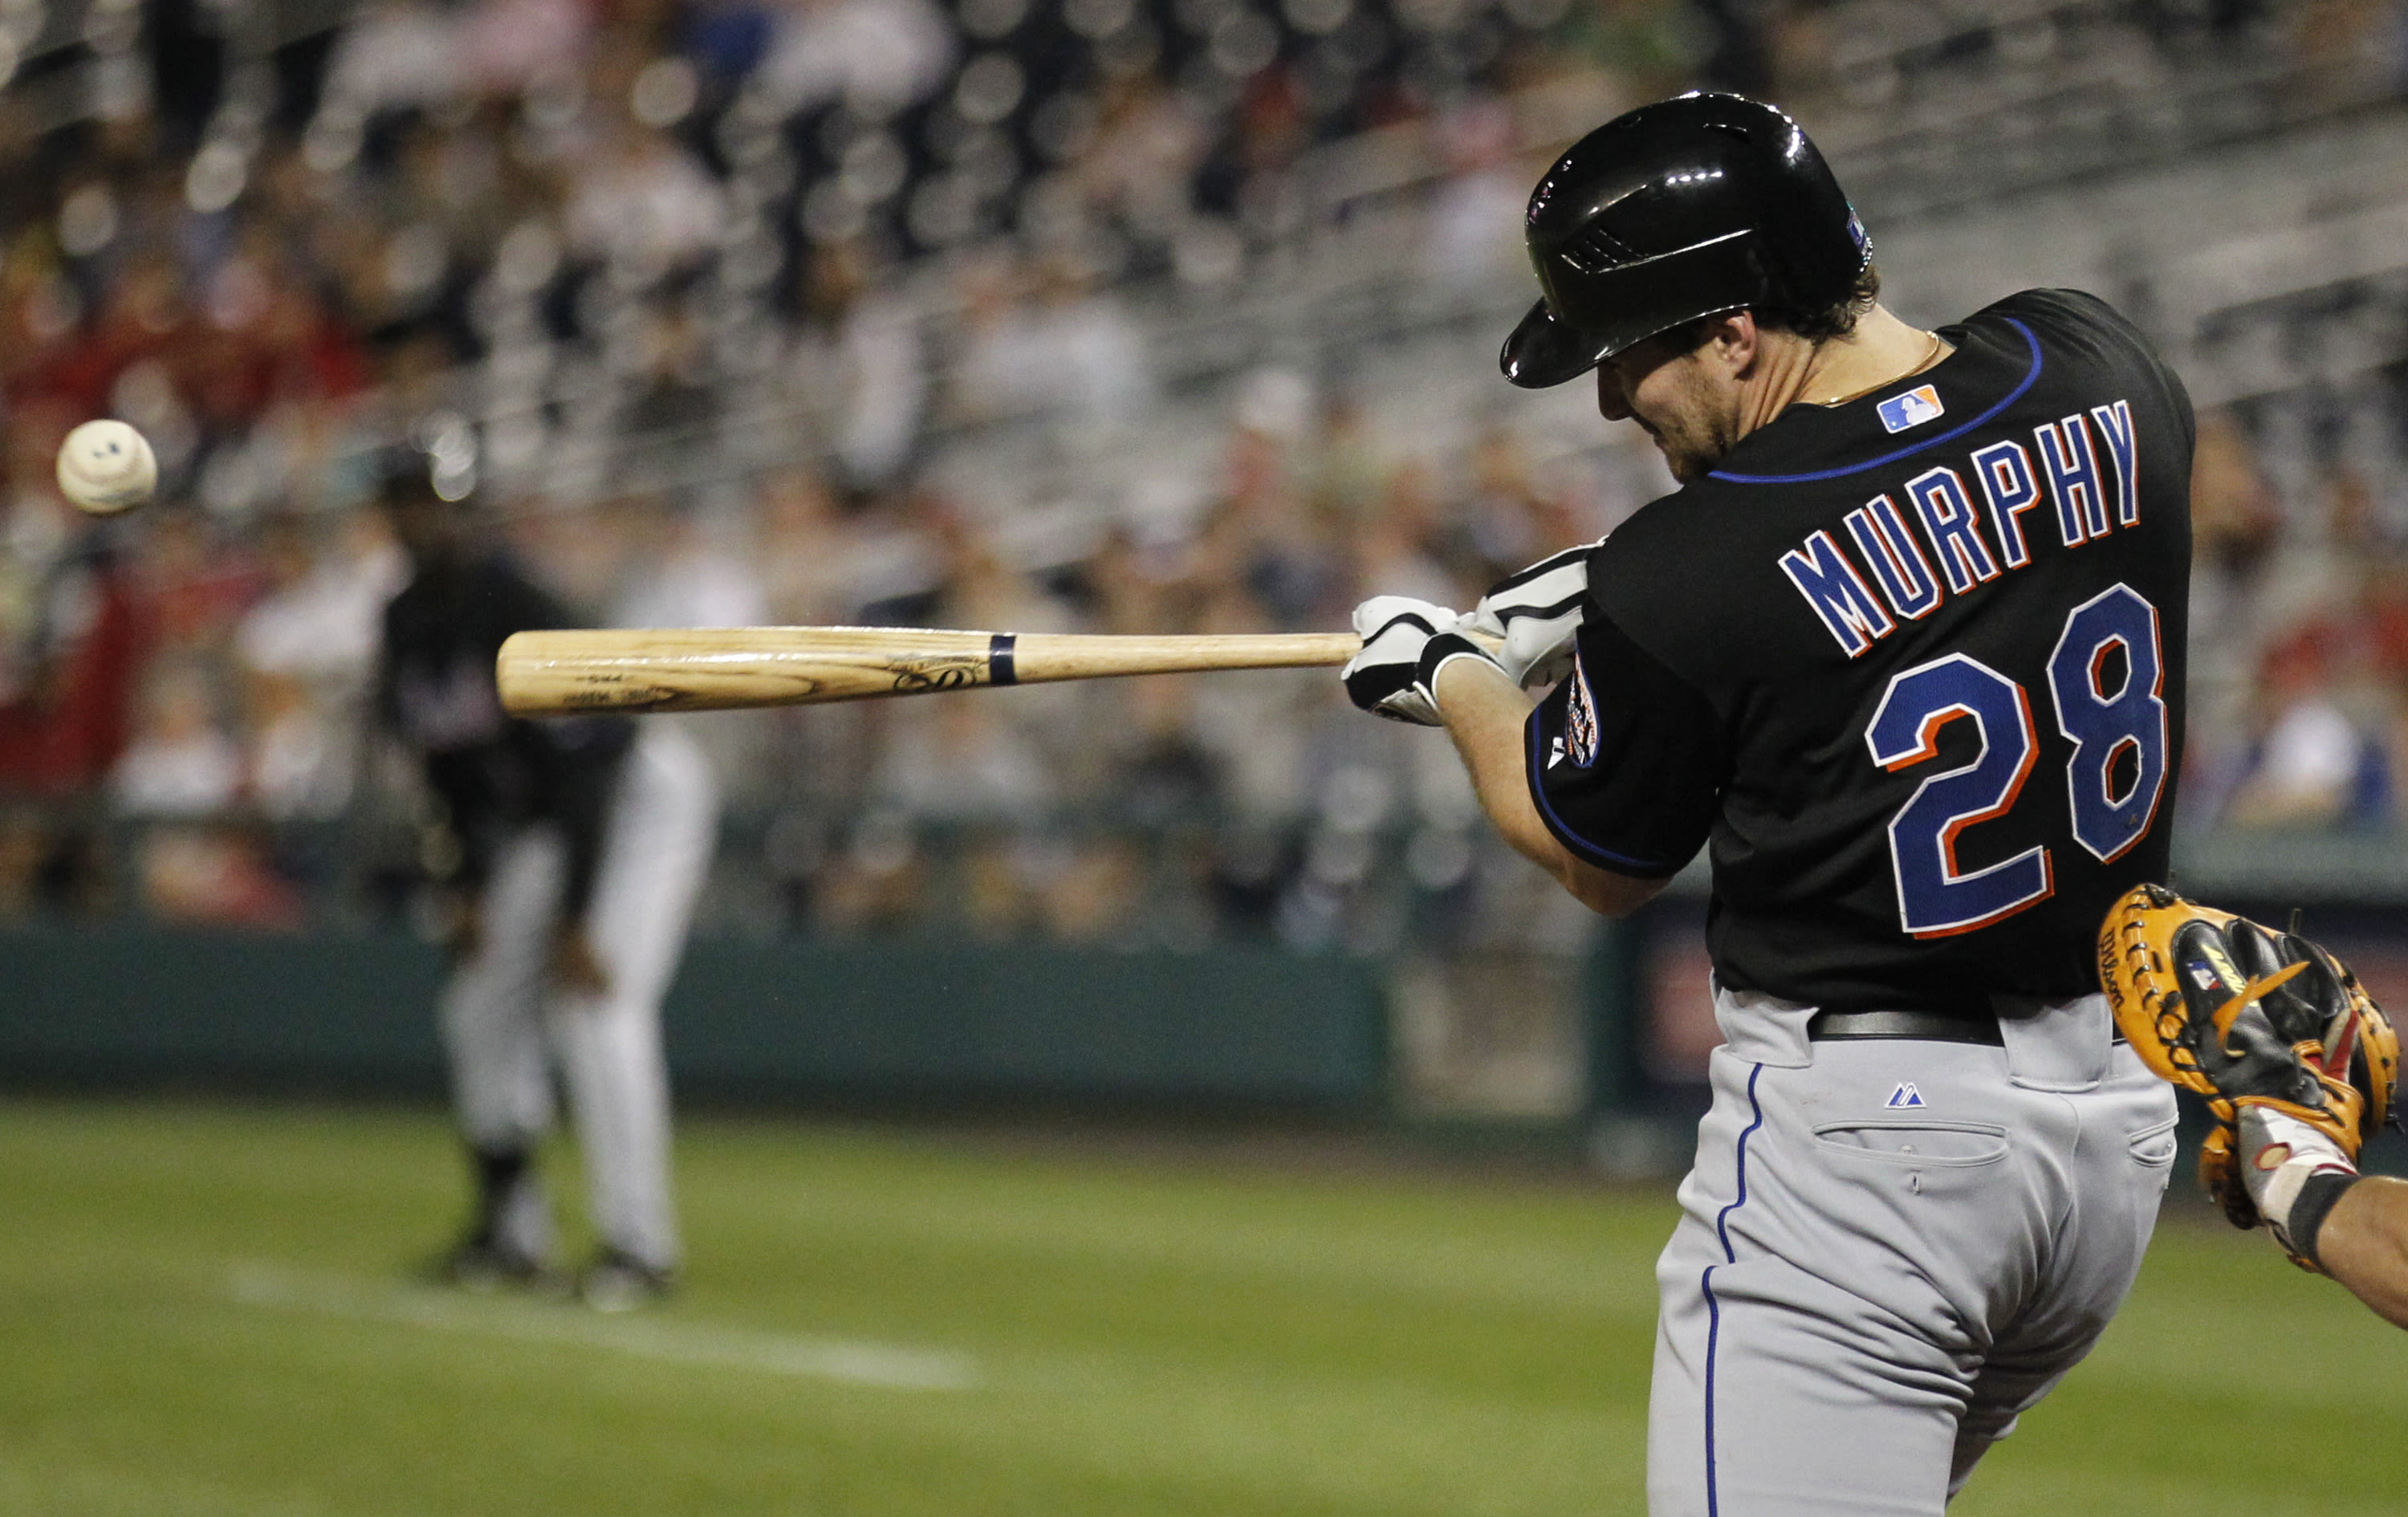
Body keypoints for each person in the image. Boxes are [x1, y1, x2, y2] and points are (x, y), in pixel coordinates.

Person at [1342, 93, 2194, 1515]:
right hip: (2112, 1135)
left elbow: (1593, 851)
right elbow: (1917, 520)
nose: (1612, 399)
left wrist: (1467, 679)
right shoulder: (2101, 361)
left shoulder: (1691, 569)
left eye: (1625, 355)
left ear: (1737, 327)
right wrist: (1627, 596)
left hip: (1877, 1150)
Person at [375, 458, 718, 1311]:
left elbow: (586, 774)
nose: (427, 521)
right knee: (476, 1007)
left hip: (631, 802)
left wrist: (578, 921)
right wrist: (462, 883)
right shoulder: (404, 619)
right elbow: (442, 770)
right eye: (411, 503)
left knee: (596, 1005)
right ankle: (511, 1229)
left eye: (441, 504)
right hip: (537, 824)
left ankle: (639, 1246)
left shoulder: (520, 607)